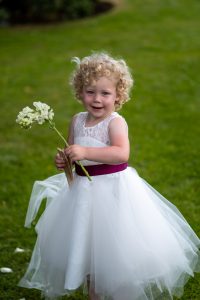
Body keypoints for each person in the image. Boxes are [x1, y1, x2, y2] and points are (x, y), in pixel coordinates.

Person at [19, 52, 200, 300]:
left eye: (105, 93)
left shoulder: (115, 123)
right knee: (87, 251)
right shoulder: (77, 121)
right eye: (90, 91)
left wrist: (85, 151)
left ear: (118, 96)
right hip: (82, 196)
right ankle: (95, 292)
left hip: (112, 194)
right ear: (80, 92)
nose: (97, 99)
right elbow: (74, 153)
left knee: (111, 252)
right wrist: (65, 160)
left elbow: (121, 153)